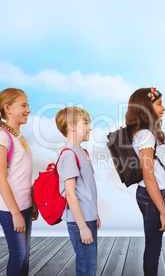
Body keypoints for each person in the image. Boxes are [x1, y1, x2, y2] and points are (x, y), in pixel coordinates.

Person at [125, 87, 165, 276]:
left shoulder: (143, 133)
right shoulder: (145, 135)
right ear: (146, 107)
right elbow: (149, 176)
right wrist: (164, 212)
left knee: (153, 244)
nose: (164, 108)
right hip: (152, 195)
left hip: (150, 194)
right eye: (159, 103)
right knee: (154, 247)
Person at [0, 88, 38, 276]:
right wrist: (15, 214)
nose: (28, 110)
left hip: (24, 206)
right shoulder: (1, 137)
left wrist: (32, 202)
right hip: (10, 209)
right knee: (18, 255)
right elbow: (0, 178)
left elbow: (23, 175)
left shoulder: (20, 138)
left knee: (24, 255)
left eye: (28, 105)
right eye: (24, 105)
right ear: (8, 108)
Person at [55, 106, 100, 276]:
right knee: (86, 265)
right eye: (86, 123)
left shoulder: (82, 152)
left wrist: (95, 214)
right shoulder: (68, 155)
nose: (90, 127)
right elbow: (70, 193)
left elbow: (86, 189)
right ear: (72, 126)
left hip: (88, 217)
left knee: (90, 263)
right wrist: (82, 226)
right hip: (79, 221)